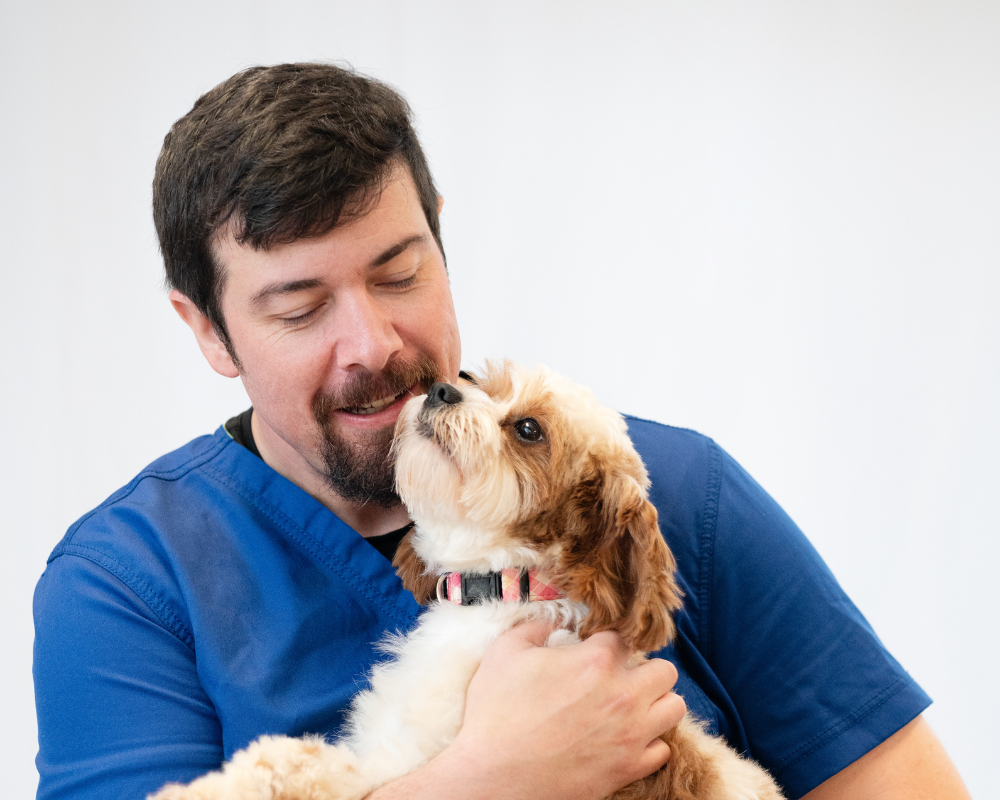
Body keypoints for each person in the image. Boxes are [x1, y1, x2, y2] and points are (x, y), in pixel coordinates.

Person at [32, 63, 969, 800]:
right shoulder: (128, 589)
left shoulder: (669, 490)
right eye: (300, 307)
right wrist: (486, 782)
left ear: (441, 237)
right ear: (206, 328)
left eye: (399, 274)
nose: (374, 345)